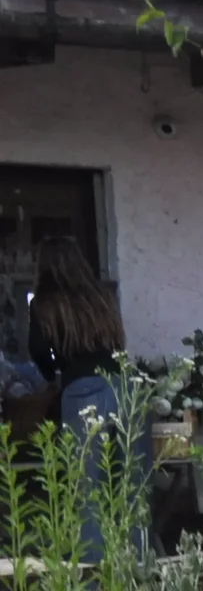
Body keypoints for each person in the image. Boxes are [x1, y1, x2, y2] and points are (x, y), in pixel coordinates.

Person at [27, 237, 146, 558]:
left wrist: (54, 376)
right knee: (129, 481)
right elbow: (118, 340)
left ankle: (96, 578)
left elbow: (37, 349)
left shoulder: (45, 303)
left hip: (82, 390)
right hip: (123, 385)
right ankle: (135, 562)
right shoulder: (102, 296)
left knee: (88, 485)